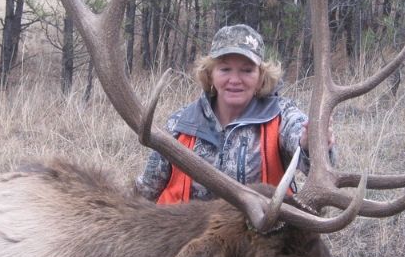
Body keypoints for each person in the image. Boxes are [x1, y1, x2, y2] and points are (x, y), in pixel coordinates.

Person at [135, 24, 336, 203]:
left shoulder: (281, 116)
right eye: (225, 69)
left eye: (247, 71)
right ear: (210, 74)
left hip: (257, 237)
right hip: (185, 235)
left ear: (260, 77)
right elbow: (148, 190)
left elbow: (313, 165)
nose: (235, 80)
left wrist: (312, 145)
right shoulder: (181, 123)